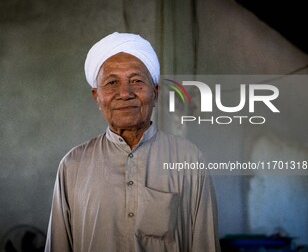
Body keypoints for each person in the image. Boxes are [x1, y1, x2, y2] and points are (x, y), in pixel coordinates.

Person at [44, 32, 220, 252]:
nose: (125, 93)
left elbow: (205, 244)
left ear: (155, 93)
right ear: (96, 97)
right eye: (111, 82)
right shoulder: (73, 165)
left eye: (136, 81)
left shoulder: (188, 158)